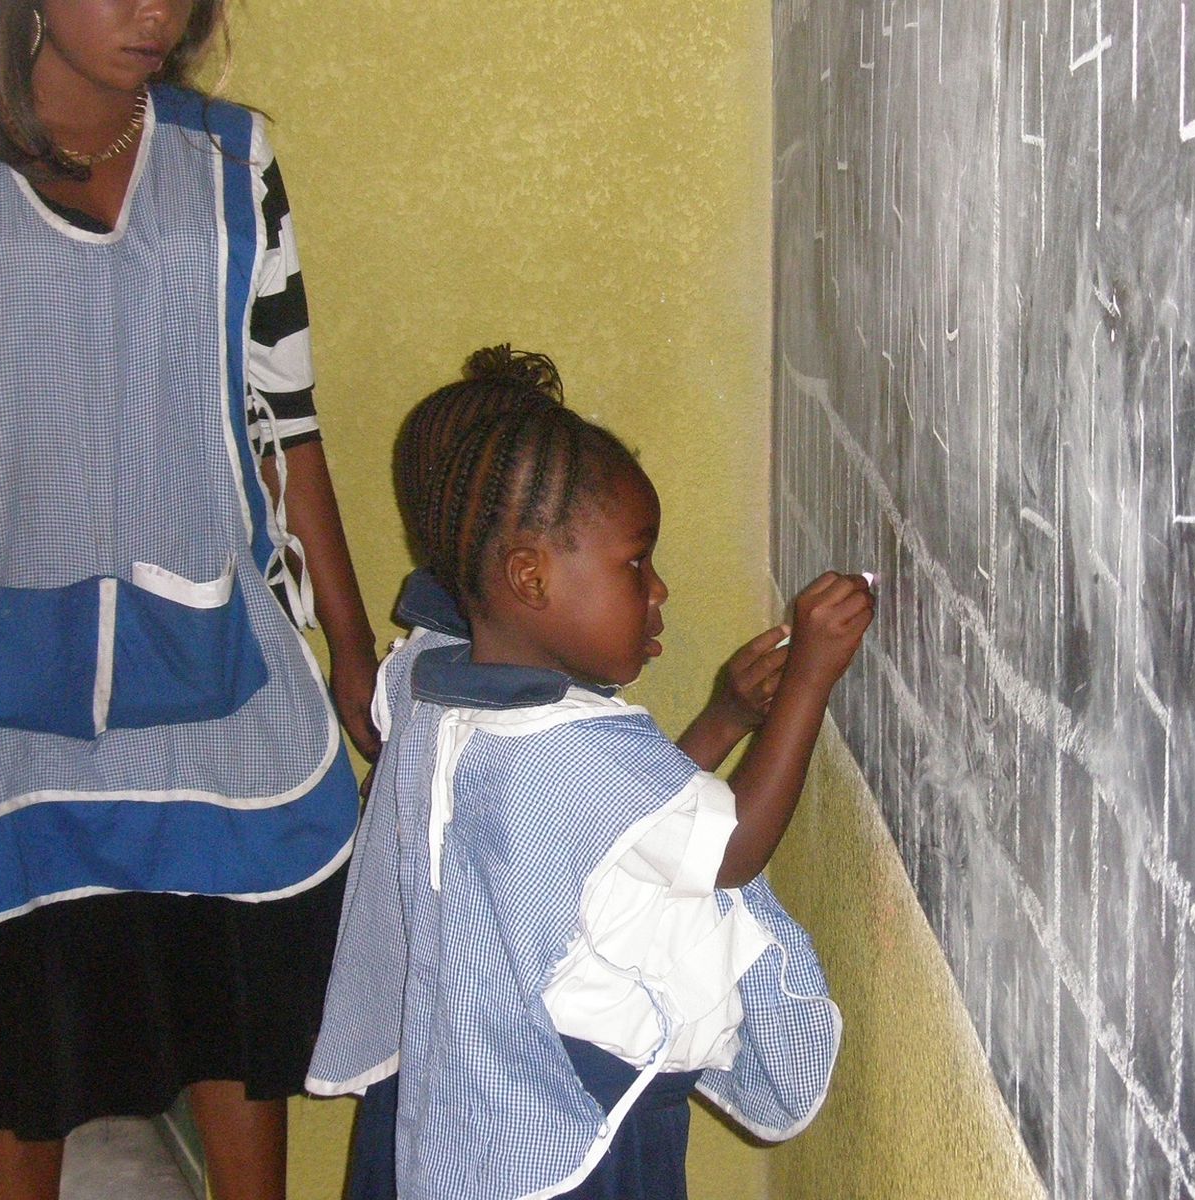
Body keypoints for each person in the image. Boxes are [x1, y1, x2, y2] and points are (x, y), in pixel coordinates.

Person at [0, 3, 378, 1198]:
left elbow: (290, 419)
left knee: (236, 997)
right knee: (21, 1031)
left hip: (212, 669)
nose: (152, 10)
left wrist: (355, 649)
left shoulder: (230, 161)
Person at [307, 347, 873, 1199]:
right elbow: (732, 849)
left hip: (462, 1094)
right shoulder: (569, 742)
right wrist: (811, 680)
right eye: (634, 564)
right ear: (528, 574)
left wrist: (723, 719)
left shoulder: (428, 687)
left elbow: (605, 837)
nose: (659, 589)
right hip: (580, 1118)